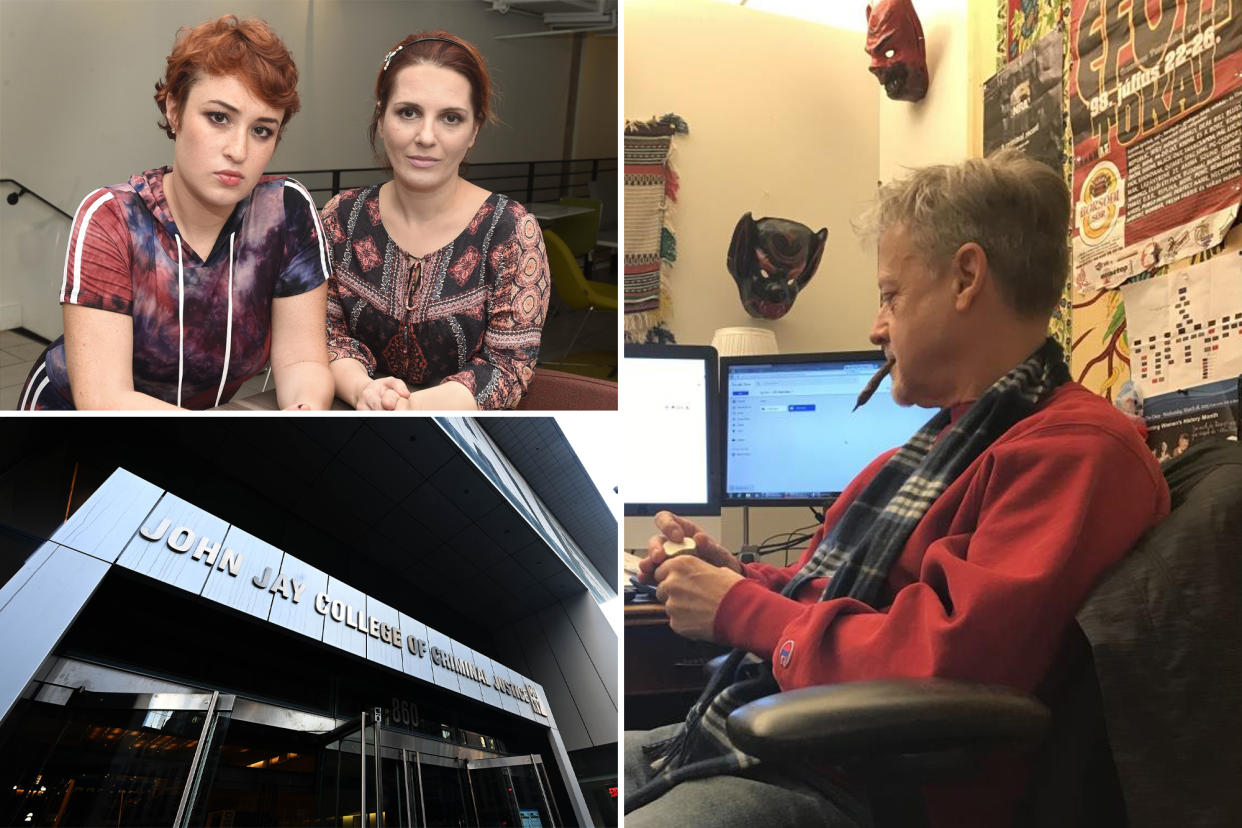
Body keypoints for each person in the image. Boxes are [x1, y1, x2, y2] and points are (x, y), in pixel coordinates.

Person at [626, 150, 1171, 827]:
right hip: (796, 743)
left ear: (967, 277)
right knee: (584, 768)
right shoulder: (931, 450)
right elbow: (828, 598)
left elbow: (938, 664)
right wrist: (733, 574)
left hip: (868, 785)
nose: (875, 327)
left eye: (890, 296)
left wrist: (739, 609)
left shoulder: (1077, 454)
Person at [17, 15, 334, 411]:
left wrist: (301, 412)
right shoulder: (111, 219)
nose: (239, 150)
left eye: (262, 130)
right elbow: (104, 398)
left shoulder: (286, 212)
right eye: (219, 117)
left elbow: (302, 360)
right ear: (174, 109)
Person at [322, 31, 550, 411]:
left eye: (450, 118)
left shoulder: (510, 231)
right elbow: (324, 335)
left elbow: (507, 368)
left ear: (474, 130)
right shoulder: (342, 218)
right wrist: (364, 390)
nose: (425, 137)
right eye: (408, 112)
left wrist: (408, 408)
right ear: (381, 118)